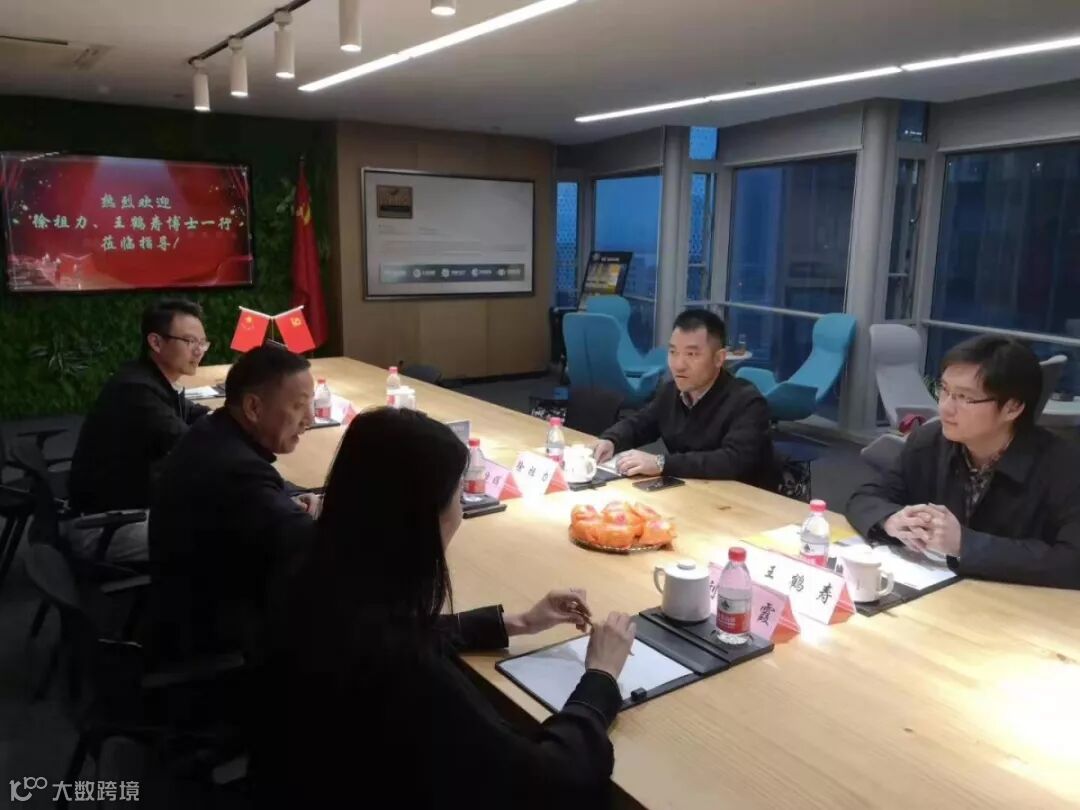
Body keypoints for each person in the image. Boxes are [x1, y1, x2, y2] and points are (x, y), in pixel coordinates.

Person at [253, 407, 636, 809]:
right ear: (421, 519)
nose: (461, 513)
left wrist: (518, 622)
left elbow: (396, 626)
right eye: (457, 497)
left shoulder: (318, 573)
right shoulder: (407, 671)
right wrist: (601, 678)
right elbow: (552, 781)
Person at [847, 335, 1080, 589]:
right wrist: (891, 519)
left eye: (965, 398)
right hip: (940, 594)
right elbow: (866, 496)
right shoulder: (929, 441)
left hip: (1022, 604)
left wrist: (964, 545)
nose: (945, 408)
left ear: (1012, 408)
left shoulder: (1063, 466)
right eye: (945, 390)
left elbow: (1072, 562)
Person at [148, 344, 320, 661]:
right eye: (299, 406)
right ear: (253, 407)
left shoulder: (213, 431)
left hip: (182, 600)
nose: (310, 418)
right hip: (218, 631)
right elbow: (312, 547)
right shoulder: (239, 471)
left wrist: (287, 501)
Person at [67, 298, 211, 562]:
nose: (199, 350)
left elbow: (194, 414)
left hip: (128, 509)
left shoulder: (148, 379)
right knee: (227, 531)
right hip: (103, 528)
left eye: (203, 343)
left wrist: (236, 418)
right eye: (190, 341)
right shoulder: (136, 391)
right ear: (156, 342)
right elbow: (192, 446)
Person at [593, 308, 777, 489]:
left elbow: (732, 461)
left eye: (692, 354)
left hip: (742, 499)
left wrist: (661, 463)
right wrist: (612, 440)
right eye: (673, 352)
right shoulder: (671, 392)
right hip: (692, 491)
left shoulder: (747, 402)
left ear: (718, 359)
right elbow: (640, 423)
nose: (679, 365)